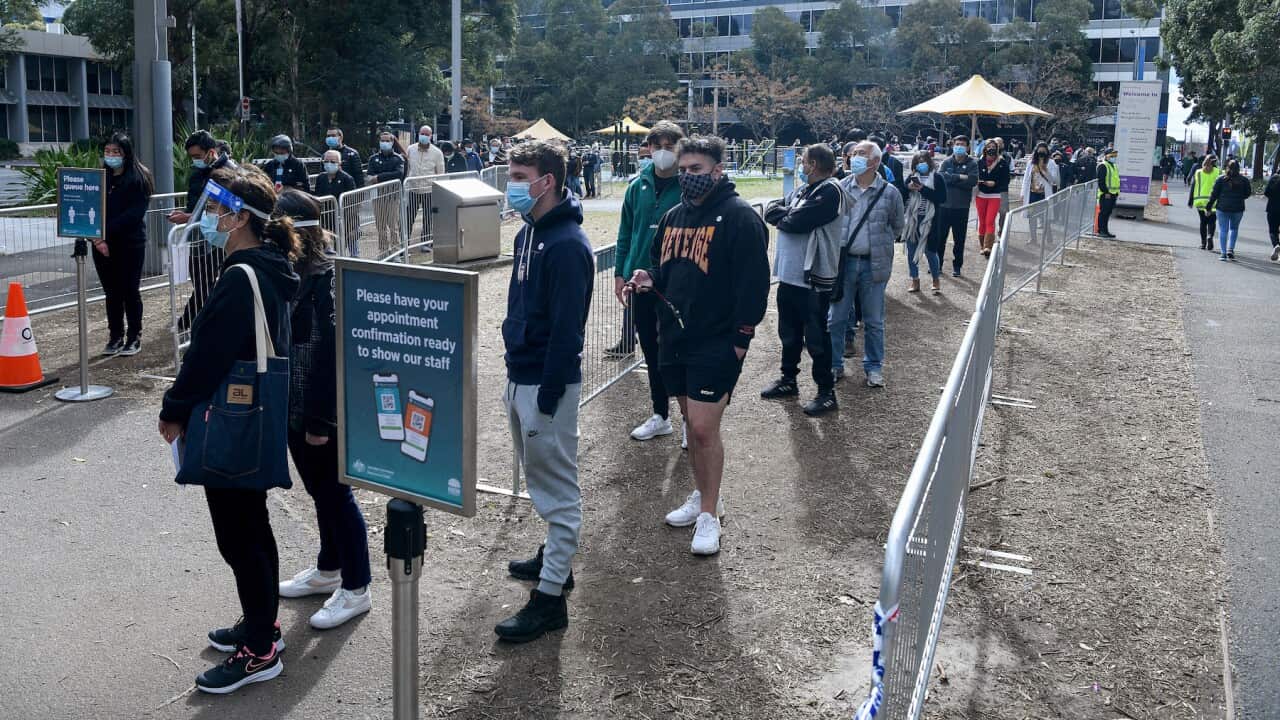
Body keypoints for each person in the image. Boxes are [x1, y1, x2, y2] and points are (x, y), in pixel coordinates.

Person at [158, 164, 301, 693]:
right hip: (252, 417)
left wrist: (173, 408)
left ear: (241, 217)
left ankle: (259, 650)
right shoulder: (267, 265)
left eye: (216, 210)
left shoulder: (241, 276)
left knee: (239, 536)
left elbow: (207, 358)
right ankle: (263, 623)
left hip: (232, 421)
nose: (208, 219)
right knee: (252, 525)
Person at [626, 135, 769, 556]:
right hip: (674, 337)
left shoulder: (740, 217)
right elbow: (661, 266)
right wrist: (648, 278)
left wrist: (741, 341)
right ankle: (707, 495)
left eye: (697, 170)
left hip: (717, 340)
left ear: (718, 171)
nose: (688, 177)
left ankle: (709, 516)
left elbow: (754, 287)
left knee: (705, 429)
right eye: (684, 170)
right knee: (691, 426)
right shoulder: (672, 217)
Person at [497, 140, 593, 643]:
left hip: (544, 386)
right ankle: (556, 557)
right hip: (521, 376)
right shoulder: (527, 235)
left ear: (546, 181)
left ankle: (551, 598)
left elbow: (567, 331)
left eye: (519, 175)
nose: (511, 184)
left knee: (558, 491)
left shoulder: (568, 246)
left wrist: (549, 395)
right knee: (541, 479)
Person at [272, 190, 373, 628]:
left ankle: (357, 587)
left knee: (336, 495)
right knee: (319, 492)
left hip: (319, 410)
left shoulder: (328, 277)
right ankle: (328, 570)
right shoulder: (289, 272)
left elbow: (334, 353)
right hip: (294, 405)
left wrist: (320, 418)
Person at [612, 120, 685, 442]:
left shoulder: (688, 186)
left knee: (679, 349)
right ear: (649, 148)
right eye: (658, 146)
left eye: (670, 146)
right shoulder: (636, 186)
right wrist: (620, 272)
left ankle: (690, 420)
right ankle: (660, 413)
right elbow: (626, 232)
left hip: (677, 283)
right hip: (640, 281)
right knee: (651, 351)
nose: (663, 152)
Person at [761, 144, 845, 416]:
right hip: (790, 275)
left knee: (817, 336)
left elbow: (798, 221)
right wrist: (786, 215)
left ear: (815, 164)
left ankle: (826, 391)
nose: (801, 165)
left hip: (813, 278)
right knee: (789, 332)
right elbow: (773, 209)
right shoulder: (804, 190)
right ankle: (788, 380)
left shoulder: (831, 191)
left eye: (804, 161)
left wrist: (785, 216)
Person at [829, 140, 904, 387]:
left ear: (875, 161)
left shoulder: (890, 193)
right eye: (853, 154)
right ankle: (834, 364)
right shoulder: (840, 187)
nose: (854, 158)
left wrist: (878, 244)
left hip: (874, 265)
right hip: (844, 263)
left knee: (874, 321)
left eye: (861, 154)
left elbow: (897, 227)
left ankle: (873, 367)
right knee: (836, 318)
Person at [92, 133, 154, 357]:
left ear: (126, 153)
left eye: (116, 152)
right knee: (111, 293)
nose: (111, 156)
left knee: (130, 291)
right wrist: (97, 238)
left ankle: (134, 336)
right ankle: (115, 336)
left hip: (129, 243)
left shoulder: (139, 178)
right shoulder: (99, 178)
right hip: (100, 245)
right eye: (108, 151)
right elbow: (89, 210)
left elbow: (134, 215)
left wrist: (105, 233)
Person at [171, 130, 235, 333]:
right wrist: (187, 215)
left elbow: (231, 206)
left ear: (211, 151)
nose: (195, 161)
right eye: (192, 157)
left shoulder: (229, 172)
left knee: (208, 282)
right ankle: (198, 320)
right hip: (200, 236)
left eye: (198, 156)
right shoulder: (198, 173)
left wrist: (189, 218)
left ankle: (190, 321)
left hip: (221, 235)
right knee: (200, 280)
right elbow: (197, 205)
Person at [903, 151, 948, 294]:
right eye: (918, 161)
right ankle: (915, 279)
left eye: (924, 161)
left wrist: (923, 189)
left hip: (930, 220)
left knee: (930, 251)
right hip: (912, 220)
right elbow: (903, 195)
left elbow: (941, 198)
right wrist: (908, 188)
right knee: (911, 251)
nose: (921, 164)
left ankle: (935, 278)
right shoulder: (911, 177)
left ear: (929, 162)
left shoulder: (938, 178)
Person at [938, 135, 977, 276]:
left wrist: (952, 177)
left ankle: (957, 266)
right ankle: (938, 265)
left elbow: (972, 180)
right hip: (944, 206)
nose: (959, 146)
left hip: (961, 208)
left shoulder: (972, 163)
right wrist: (960, 176)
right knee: (940, 238)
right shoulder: (946, 162)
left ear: (967, 147)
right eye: (957, 144)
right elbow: (941, 177)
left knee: (959, 239)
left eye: (962, 144)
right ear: (953, 145)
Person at [367, 130, 406, 255]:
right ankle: (383, 250)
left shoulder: (398, 159)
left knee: (393, 225)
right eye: (382, 141)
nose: (384, 143)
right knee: (380, 226)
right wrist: (376, 178)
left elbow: (398, 174)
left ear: (392, 142)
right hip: (377, 196)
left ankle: (395, 251)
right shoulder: (373, 159)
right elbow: (369, 176)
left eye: (387, 141)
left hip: (393, 196)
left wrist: (379, 177)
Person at [406, 126, 445, 246]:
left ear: (431, 136)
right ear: (418, 134)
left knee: (428, 218)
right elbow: (407, 168)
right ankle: (405, 243)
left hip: (429, 190)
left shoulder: (437, 153)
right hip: (413, 189)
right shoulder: (410, 149)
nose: (424, 136)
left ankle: (426, 243)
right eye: (422, 133)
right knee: (409, 217)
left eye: (426, 134)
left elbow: (440, 173)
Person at [1207, 159, 1251, 261]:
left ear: (1227, 167)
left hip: (1222, 208)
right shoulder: (1244, 180)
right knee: (1234, 229)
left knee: (1223, 230)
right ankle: (1230, 249)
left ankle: (1223, 253)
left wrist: (1208, 207)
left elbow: (1213, 195)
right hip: (1238, 208)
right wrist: (1240, 197)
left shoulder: (1221, 179)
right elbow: (1248, 193)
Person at [315, 149, 357, 251]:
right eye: (326, 161)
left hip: (342, 218)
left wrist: (350, 222)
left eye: (333, 162)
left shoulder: (347, 179)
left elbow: (352, 201)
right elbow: (318, 195)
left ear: (339, 163)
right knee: (325, 246)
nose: (329, 164)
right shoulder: (321, 178)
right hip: (325, 218)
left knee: (341, 246)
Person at [975, 141, 1009, 257]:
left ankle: (988, 247)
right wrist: (981, 182)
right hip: (981, 194)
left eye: (993, 147)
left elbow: (1006, 180)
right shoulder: (979, 162)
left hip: (995, 195)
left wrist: (995, 184)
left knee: (990, 220)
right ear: (985, 148)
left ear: (997, 149)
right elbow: (974, 177)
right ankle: (981, 245)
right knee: (982, 221)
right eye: (988, 147)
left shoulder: (1002, 163)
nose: (991, 149)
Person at [1188, 154, 1220, 251]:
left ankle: (1203, 243)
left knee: (1203, 222)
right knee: (1212, 221)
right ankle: (1210, 236)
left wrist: (1190, 200)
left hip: (1200, 201)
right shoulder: (1219, 172)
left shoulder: (1198, 172)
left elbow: (1193, 186)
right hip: (1214, 201)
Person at [1095, 147, 1120, 239]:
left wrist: (1116, 193)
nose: (1114, 157)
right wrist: (1106, 192)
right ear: (1106, 156)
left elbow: (1116, 180)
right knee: (1104, 213)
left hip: (1113, 193)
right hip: (1106, 194)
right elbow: (1101, 181)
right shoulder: (1103, 165)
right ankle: (1101, 231)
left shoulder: (1114, 166)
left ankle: (1105, 231)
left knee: (1108, 213)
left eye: (1115, 155)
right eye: (1112, 155)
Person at [1265, 169, 1280, 261]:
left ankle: (1276, 245)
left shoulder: (1274, 178)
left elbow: (1267, 192)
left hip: (1272, 208)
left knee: (1273, 231)